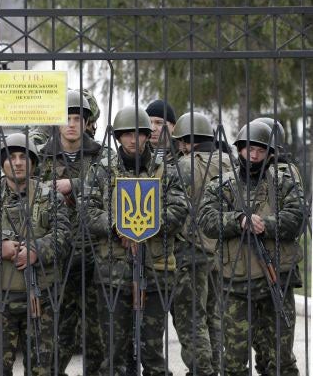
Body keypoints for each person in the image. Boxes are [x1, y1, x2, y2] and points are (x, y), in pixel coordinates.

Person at [86, 105, 188, 376]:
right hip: (113, 273)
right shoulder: (101, 170)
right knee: (114, 355)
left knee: (152, 353)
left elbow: (179, 208)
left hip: (155, 271)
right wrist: (118, 226)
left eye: (139, 134)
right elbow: (87, 210)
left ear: (146, 136)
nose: (133, 139)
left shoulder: (164, 170)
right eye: (127, 134)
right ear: (118, 137)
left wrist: (144, 226)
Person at [199, 121, 304, 376]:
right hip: (236, 285)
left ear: (269, 153)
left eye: (260, 150)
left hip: (276, 281)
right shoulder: (221, 184)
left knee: (281, 361)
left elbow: (297, 217)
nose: (254, 155)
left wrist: (264, 224)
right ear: (239, 149)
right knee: (233, 363)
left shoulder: (284, 181)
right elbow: (206, 218)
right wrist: (238, 221)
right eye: (248, 149)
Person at [0, 132, 69, 376]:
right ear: (2, 163)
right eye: (12, 157)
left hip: (40, 298)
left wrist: (36, 251)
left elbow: (63, 234)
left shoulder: (49, 196)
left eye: (24, 157)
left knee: (41, 369)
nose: (18, 162)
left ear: (32, 162)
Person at [38, 91, 104, 375]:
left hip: (94, 255)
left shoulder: (101, 155)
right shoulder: (41, 158)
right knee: (56, 335)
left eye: (78, 118)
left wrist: (74, 185)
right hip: (58, 257)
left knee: (96, 336)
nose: (72, 124)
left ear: (86, 122)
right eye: (66, 117)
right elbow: (29, 195)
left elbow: (111, 187)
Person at [170, 113, 232, 376]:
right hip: (223, 250)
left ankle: (201, 370)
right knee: (214, 315)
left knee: (191, 316)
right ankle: (215, 366)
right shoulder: (229, 163)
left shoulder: (182, 166)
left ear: (185, 141)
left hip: (190, 250)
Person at [145, 99, 178, 164]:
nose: (152, 128)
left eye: (159, 123)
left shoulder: (185, 153)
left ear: (173, 126)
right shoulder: (136, 154)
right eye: (149, 122)